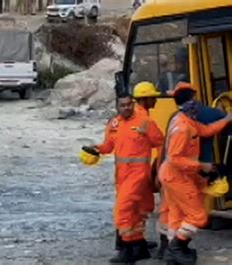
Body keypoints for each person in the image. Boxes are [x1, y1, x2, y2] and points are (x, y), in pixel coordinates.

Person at [159, 82, 232, 264]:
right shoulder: (182, 127)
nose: (197, 102)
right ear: (189, 101)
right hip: (176, 176)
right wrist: (201, 166)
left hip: (174, 175)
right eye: (194, 99)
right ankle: (177, 247)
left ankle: (173, 253)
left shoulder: (187, 120)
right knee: (197, 216)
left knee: (176, 216)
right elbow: (175, 158)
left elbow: (206, 131)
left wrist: (227, 119)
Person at [87, 93, 164, 263]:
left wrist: (159, 169)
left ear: (133, 104)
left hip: (138, 175)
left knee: (122, 211)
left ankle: (128, 248)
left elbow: (161, 143)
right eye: (123, 105)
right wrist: (97, 149)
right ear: (117, 107)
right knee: (138, 210)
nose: (126, 107)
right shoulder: (114, 124)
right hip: (122, 176)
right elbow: (108, 146)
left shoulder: (145, 122)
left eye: (129, 104)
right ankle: (139, 246)